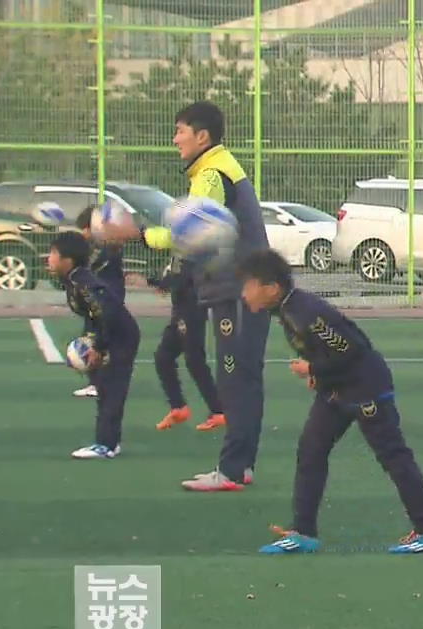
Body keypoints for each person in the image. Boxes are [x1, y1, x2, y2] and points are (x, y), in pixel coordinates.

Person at [238, 249, 423, 555]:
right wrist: (318, 374)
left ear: (271, 288)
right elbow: (328, 350)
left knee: (394, 458)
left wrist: (312, 369)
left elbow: (353, 350)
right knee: (311, 449)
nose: (244, 293)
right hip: (336, 389)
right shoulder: (287, 309)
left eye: (248, 285)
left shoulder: (304, 311)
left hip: (366, 388)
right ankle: (304, 532)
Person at [142, 100, 271, 491]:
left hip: (238, 288)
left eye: (180, 129)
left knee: (234, 377)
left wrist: (144, 235)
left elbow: (196, 230)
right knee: (245, 377)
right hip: (246, 286)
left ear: (202, 136)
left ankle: (232, 471)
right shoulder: (218, 166)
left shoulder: (211, 173)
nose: (175, 138)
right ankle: (241, 466)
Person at [48, 231, 140, 460]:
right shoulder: (73, 279)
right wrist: (88, 341)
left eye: (53, 254)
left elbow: (107, 313)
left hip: (120, 336)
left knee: (112, 387)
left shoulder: (84, 283)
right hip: (109, 332)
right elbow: (93, 316)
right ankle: (109, 441)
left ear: (68, 259)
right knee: (103, 385)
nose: (48, 258)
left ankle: (106, 445)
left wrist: (98, 347)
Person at [148, 251, 226, 432]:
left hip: (191, 311)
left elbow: (183, 278)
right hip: (181, 311)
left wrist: (155, 282)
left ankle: (218, 411)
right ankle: (178, 407)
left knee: (194, 361)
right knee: (163, 357)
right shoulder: (182, 251)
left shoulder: (192, 253)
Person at [69, 205, 125, 400]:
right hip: (100, 300)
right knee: (95, 336)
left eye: (84, 229)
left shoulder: (105, 250)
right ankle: (98, 382)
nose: (82, 234)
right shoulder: (100, 247)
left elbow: (96, 270)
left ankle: (99, 383)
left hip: (105, 302)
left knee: (97, 338)